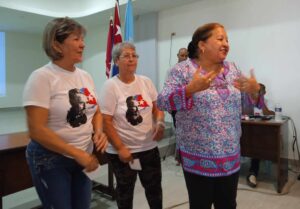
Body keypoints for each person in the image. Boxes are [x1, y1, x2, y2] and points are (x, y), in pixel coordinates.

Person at [157, 22, 262, 209]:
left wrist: (254, 92)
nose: (226, 43)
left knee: (228, 205)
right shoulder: (181, 71)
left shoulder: (233, 69)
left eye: (227, 40)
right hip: (198, 157)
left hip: (230, 155)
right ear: (202, 45)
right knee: (200, 205)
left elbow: (246, 104)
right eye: (220, 38)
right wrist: (189, 89)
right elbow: (163, 102)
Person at [23, 17, 108, 209]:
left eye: (82, 39)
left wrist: (99, 131)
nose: (83, 44)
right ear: (57, 44)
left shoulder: (84, 76)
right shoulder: (42, 77)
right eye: (76, 39)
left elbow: (96, 111)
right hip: (51, 159)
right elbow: (36, 130)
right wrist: (76, 153)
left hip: (83, 155)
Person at [99, 42, 165, 209]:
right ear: (116, 61)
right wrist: (120, 148)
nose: (131, 59)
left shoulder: (146, 82)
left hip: (149, 149)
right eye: (126, 56)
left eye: (134, 55)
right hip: (123, 153)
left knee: (154, 191)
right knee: (125, 194)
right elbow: (105, 121)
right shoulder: (110, 86)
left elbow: (158, 108)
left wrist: (160, 122)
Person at [242, 83, 275, 188]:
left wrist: (261, 101)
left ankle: (253, 173)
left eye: (259, 92)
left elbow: (270, 114)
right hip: (248, 131)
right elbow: (244, 114)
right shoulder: (247, 102)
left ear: (264, 93)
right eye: (255, 91)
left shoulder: (269, 102)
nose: (256, 94)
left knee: (256, 143)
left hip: (263, 134)